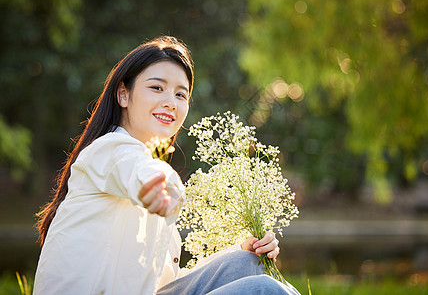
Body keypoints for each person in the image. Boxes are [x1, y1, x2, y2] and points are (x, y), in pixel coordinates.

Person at [34, 36, 300, 295]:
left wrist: (243, 249)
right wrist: (162, 185)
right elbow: (136, 170)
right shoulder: (107, 150)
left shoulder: (142, 161)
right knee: (265, 290)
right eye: (157, 88)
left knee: (247, 262)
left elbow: (161, 288)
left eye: (180, 94)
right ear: (123, 95)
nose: (171, 103)